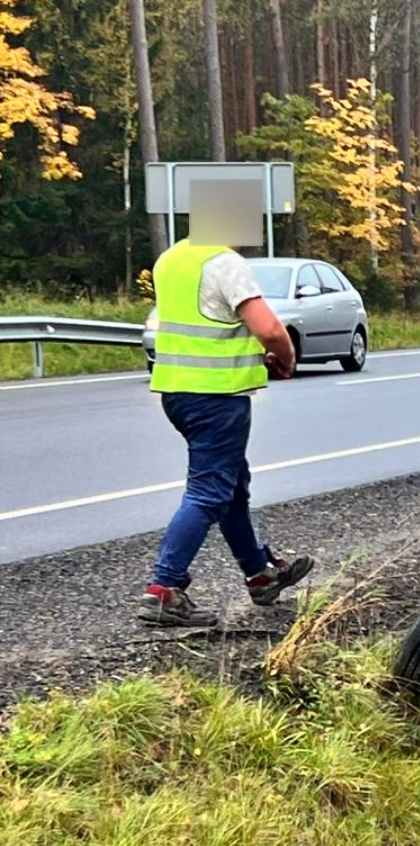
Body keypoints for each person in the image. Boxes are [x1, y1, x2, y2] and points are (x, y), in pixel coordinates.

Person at [140, 198, 312, 627]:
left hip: (176, 391)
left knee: (231, 485)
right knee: (209, 491)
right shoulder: (225, 263)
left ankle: (259, 574)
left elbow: (205, 322)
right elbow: (269, 328)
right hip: (216, 396)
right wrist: (286, 359)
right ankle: (164, 590)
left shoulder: (170, 259)